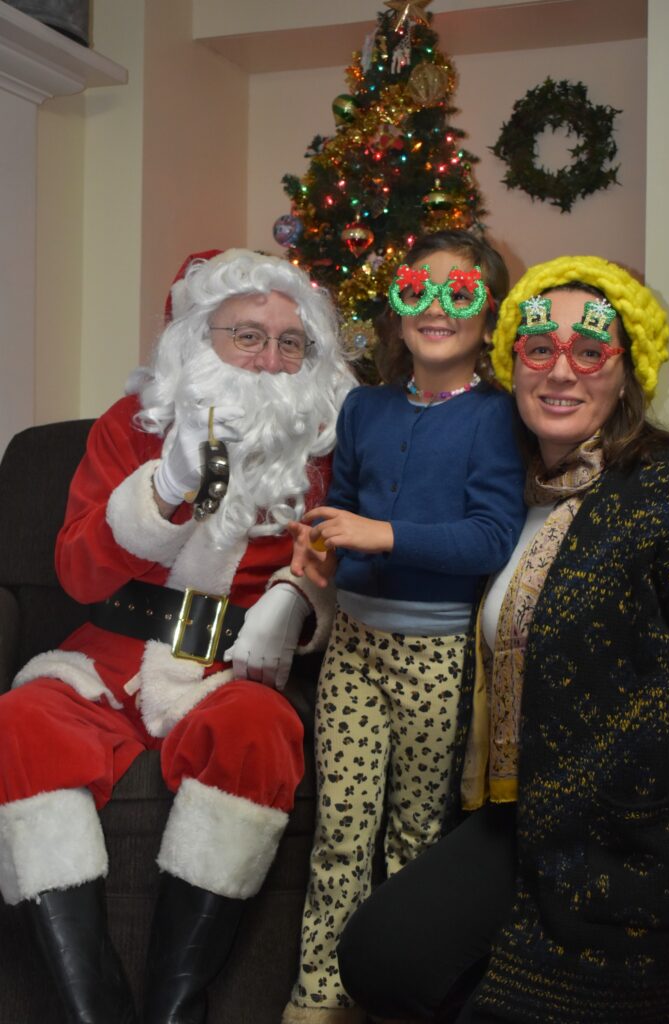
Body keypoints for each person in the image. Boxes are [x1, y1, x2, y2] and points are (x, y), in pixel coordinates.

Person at [0, 248, 354, 1024]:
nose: (269, 359)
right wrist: (163, 491)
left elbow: (341, 557)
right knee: (18, 725)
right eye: (246, 335)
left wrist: (294, 600)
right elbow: (77, 573)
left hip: (228, 668)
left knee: (258, 732)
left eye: (289, 342)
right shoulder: (131, 426)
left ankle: (174, 1006)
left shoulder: (326, 445)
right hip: (108, 659)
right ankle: (93, 1007)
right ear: (199, 337)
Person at [337, 254, 669, 1024]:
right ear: (512, 361)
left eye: (588, 352)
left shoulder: (663, 491)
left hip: (634, 829)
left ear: (626, 372)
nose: (559, 371)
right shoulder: (507, 493)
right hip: (516, 813)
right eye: (538, 348)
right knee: (379, 956)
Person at [281, 230, 527, 1023]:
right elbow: (343, 511)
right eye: (418, 288)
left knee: (415, 835)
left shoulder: (497, 417)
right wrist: (323, 547)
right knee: (339, 830)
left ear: (488, 317)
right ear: (396, 306)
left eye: (460, 293)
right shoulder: (365, 407)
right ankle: (320, 994)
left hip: (436, 656)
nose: (436, 307)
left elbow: (489, 537)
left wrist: (381, 535)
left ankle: (392, 995)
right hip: (354, 649)